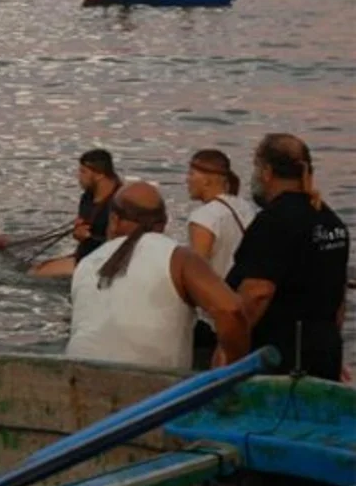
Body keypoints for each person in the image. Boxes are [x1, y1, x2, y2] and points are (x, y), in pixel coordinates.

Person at [67, 182, 250, 369]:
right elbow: (231, 310)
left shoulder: (85, 264)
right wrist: (233, 368)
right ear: (164, 223)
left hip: (76, 380)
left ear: (113, 220)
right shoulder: (179, 258)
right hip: (155, 390)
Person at [227, 134, 350, 381]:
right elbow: (338, 299)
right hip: (325, 353)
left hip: (281, 359)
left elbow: (257, 293)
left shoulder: (273, 222)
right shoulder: (331, 222)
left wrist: (230, 354)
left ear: (267, 171)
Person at [186, 149, 257, 369]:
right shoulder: (246, 208)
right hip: (246, 311)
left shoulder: (204, 218)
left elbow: (198, 273)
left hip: (216, 319)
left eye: (191, 174)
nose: (187, 179)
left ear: (207, 180)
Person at [31, 149, 121, 278]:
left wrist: (89, 238)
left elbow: (124, 243)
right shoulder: (87, 197)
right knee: (36, 268)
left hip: (104, 263)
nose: (79, 177)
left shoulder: (121, 202)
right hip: (85, 257)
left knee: (34, 274)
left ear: (99, 174)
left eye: (83, 172)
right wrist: (79, 232)